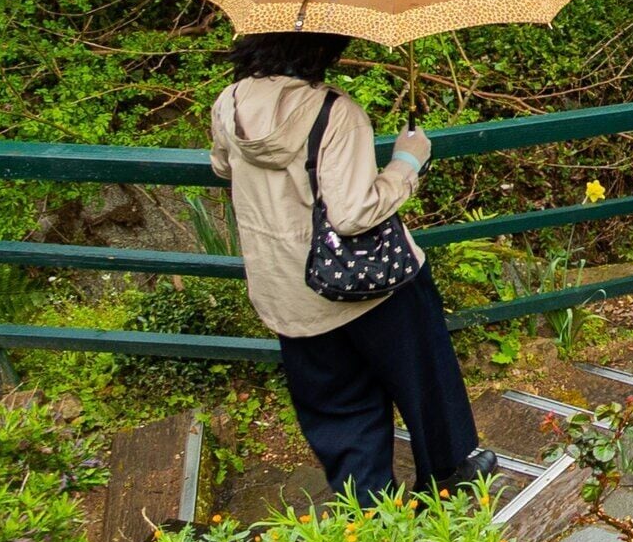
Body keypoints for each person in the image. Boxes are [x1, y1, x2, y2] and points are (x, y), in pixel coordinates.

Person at [207, 31, 485, 501]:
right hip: (372, 285)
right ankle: (447, 478)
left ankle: (371, 511)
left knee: (338, 408)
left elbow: (222, 167)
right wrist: (406, 163)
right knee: (426, 384)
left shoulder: (230, 103)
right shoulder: (336, 112)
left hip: (289, 291)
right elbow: (353, 213)